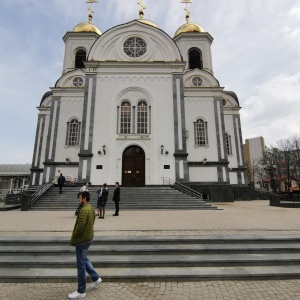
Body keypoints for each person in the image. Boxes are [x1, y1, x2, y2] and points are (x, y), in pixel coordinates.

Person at [68, 191, 102, 299]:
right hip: (88, 239)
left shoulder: (83, 210)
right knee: (84, 259)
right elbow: (92, 222)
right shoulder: (91, 208)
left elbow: (80, 226)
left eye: (80, 198)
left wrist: (74, 237)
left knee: (81, 265)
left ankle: (81, 290)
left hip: (82, 240)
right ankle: (96, 278)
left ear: (84, 199)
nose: (78, 199)